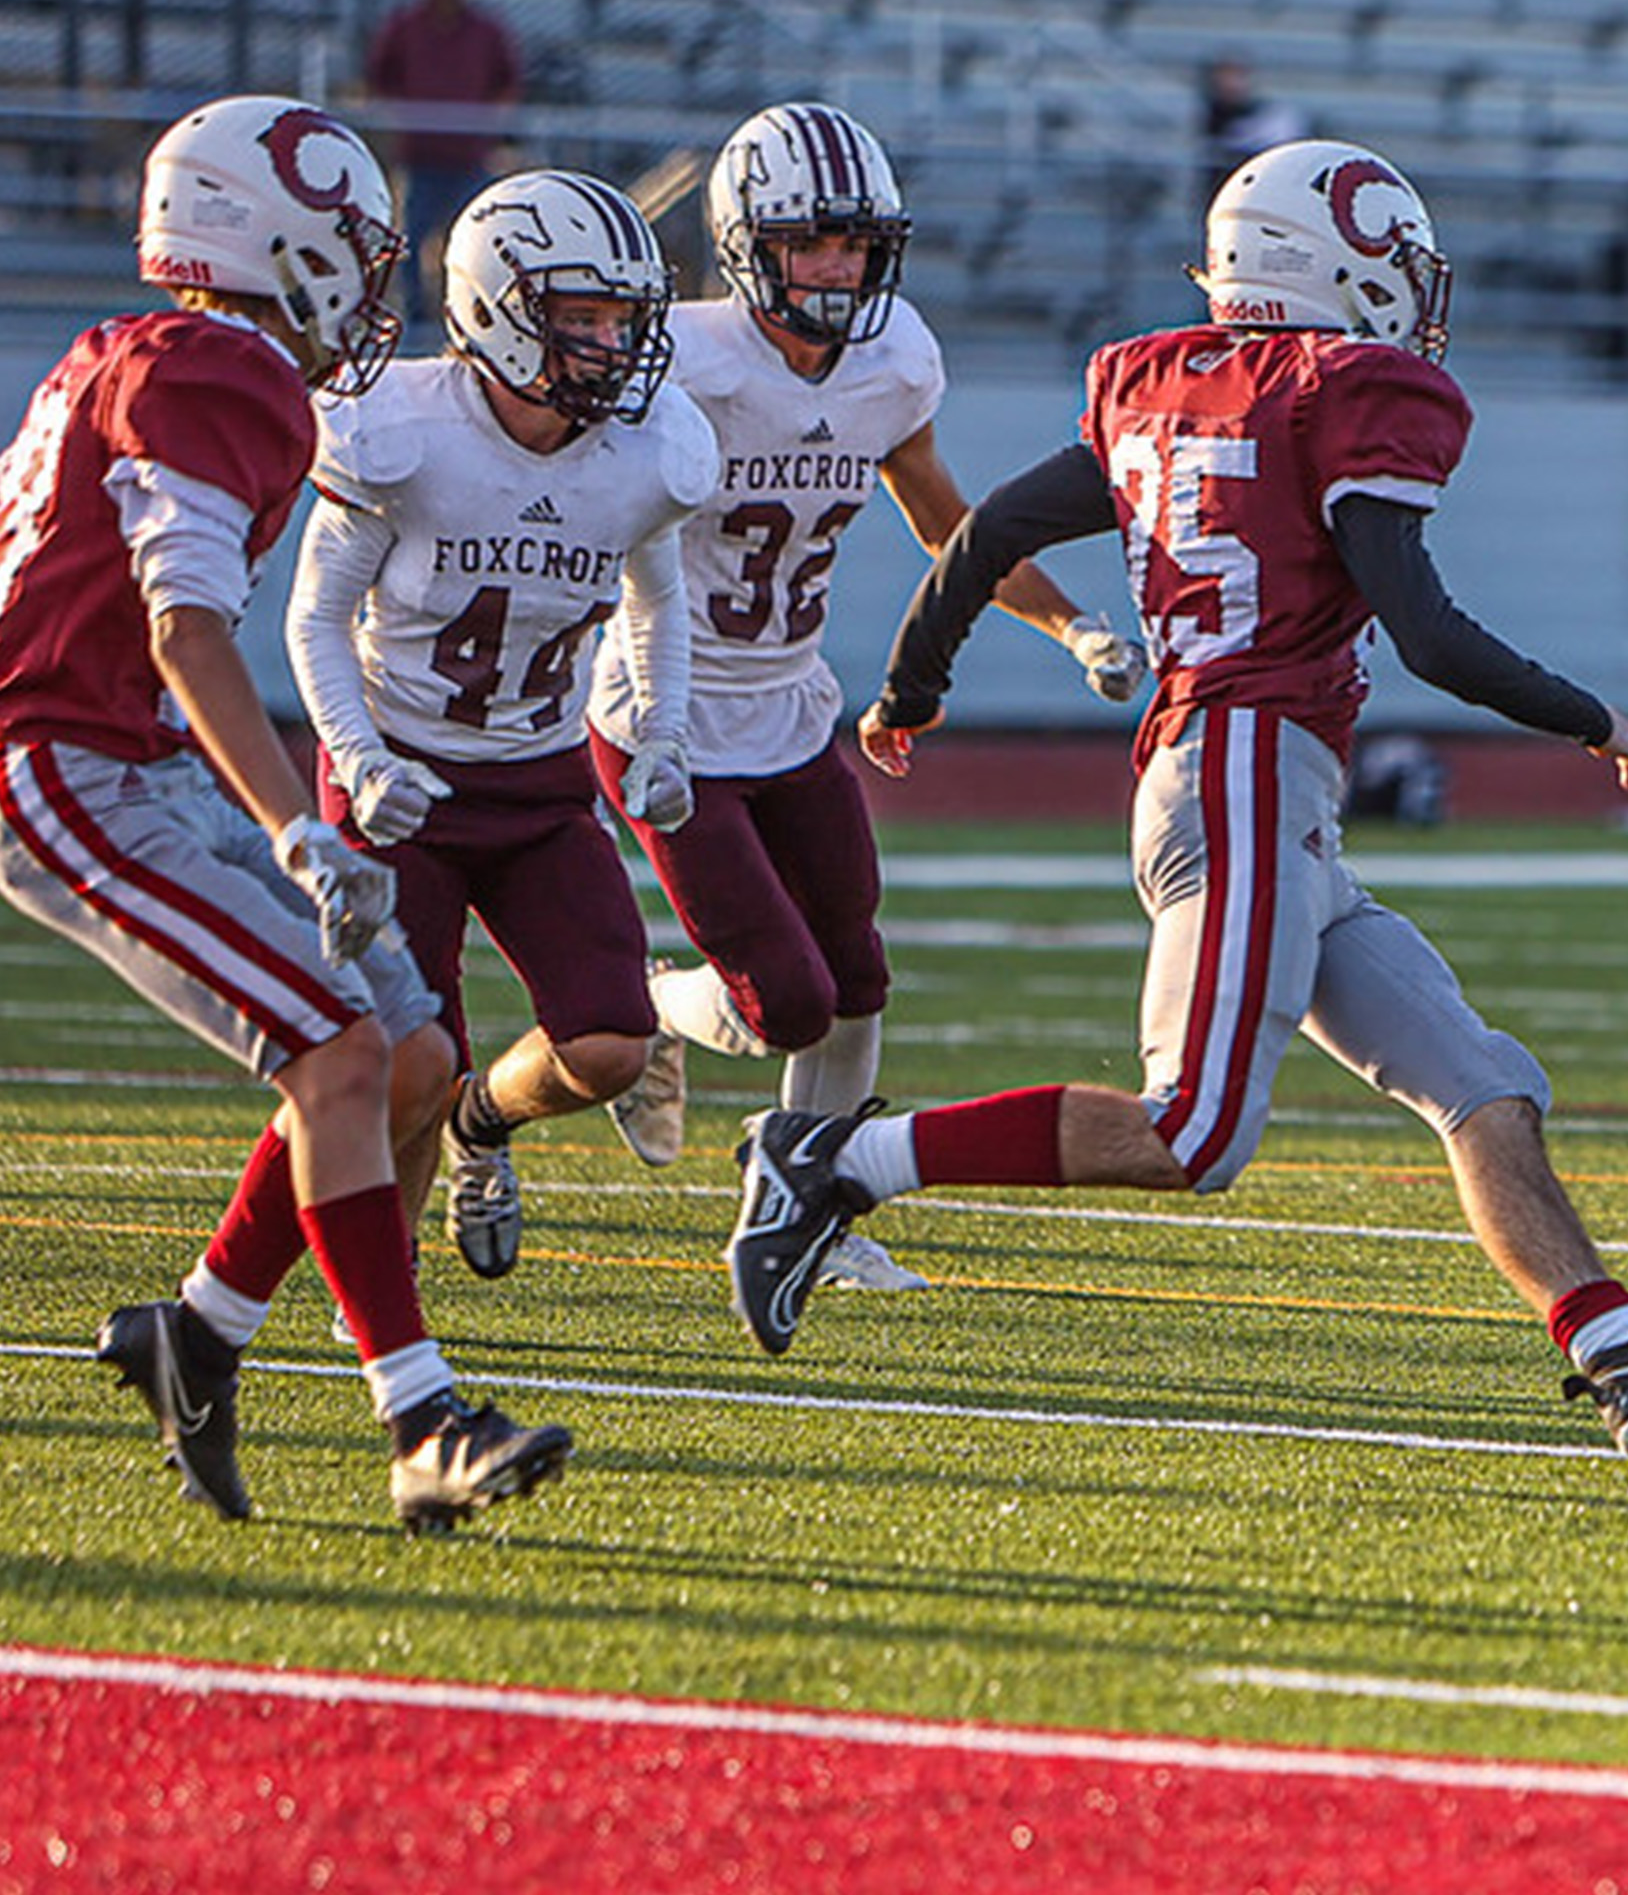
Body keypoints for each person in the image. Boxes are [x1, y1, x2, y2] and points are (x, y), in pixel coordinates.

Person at [724, 138, 1628, 1465]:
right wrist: (1575, 709)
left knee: (1485, 1085)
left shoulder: (1163, 382)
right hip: (1244, 764)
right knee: (1191, 1132)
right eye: (1392, 266)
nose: (1415, 297)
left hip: (1261, 783)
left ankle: (1622, 1356)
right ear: (1331, 270)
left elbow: (989, 533)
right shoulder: (1344, 389)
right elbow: (1420, 630)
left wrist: (911, 686)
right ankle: (838, 1161)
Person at [0, 93, 572, 1532]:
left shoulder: (149, 350)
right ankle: (421, 1420)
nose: (366, 284)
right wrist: (293, 823)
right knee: (334, 1041)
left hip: (124, 745)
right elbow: (187, 629)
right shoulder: (219, 373)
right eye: (349, 247)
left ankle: (194, 1331)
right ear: (283, 241)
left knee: (418, 1053)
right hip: (62, 759)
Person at [583, 101, 1149, 1296]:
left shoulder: (894, 361)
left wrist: (1071, 624)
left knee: (856, 977)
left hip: (791, 702)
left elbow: (951, 523)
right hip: (666, 710)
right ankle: (646, 1008)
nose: (839, 267)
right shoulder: (673, 358)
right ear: (747, 244)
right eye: (810, 242)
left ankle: (815, 1210)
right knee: (784, 999)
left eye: (855, 242)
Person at [285, 168, 712, 1287]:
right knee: (404, 1065)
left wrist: (661, 732)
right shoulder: (400, 428)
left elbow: (657, 596)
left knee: (614, 1044)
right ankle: (385, 1294)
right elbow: (318, 616)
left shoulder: (642, 449)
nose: (612, 346)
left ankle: (488, 1124)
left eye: (623, 318)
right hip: (400, 781)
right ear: (495, 308)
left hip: (539, 780)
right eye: (582, 318)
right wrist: (360, 757)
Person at [364, 0, 523, 335]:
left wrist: (487, 122)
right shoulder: (407, 25)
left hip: (469, 157)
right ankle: (417, 318)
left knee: (476, 242)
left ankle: (469, 318)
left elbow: (508, 79)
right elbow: (378, 75)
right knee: (411, 242)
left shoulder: (485, 29)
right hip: (420, 156)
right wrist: (403, 115)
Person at [1197, 55, 1310, 199]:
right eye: (1226, 77)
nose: (1233, 83)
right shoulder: (1204, 112)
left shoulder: (1261, 111)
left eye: (1238, 76)